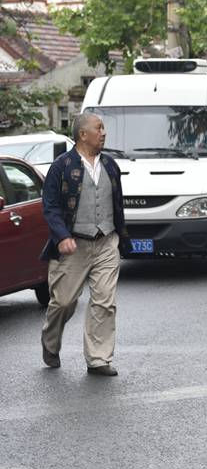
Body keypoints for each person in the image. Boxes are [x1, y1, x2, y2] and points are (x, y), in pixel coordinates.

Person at [40, 113, 130, 376]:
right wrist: (62, 236)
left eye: (104, 128)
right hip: (73, 244)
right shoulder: (62, 166)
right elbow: (51, 207)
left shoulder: (111, 165)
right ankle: (50, 340)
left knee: (105, 301)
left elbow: (117, 205)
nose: (104, 132)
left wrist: (120, 238)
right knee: (64, 302)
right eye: (98, 128)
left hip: (106, 242)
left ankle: (98, 359)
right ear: (82, 135)